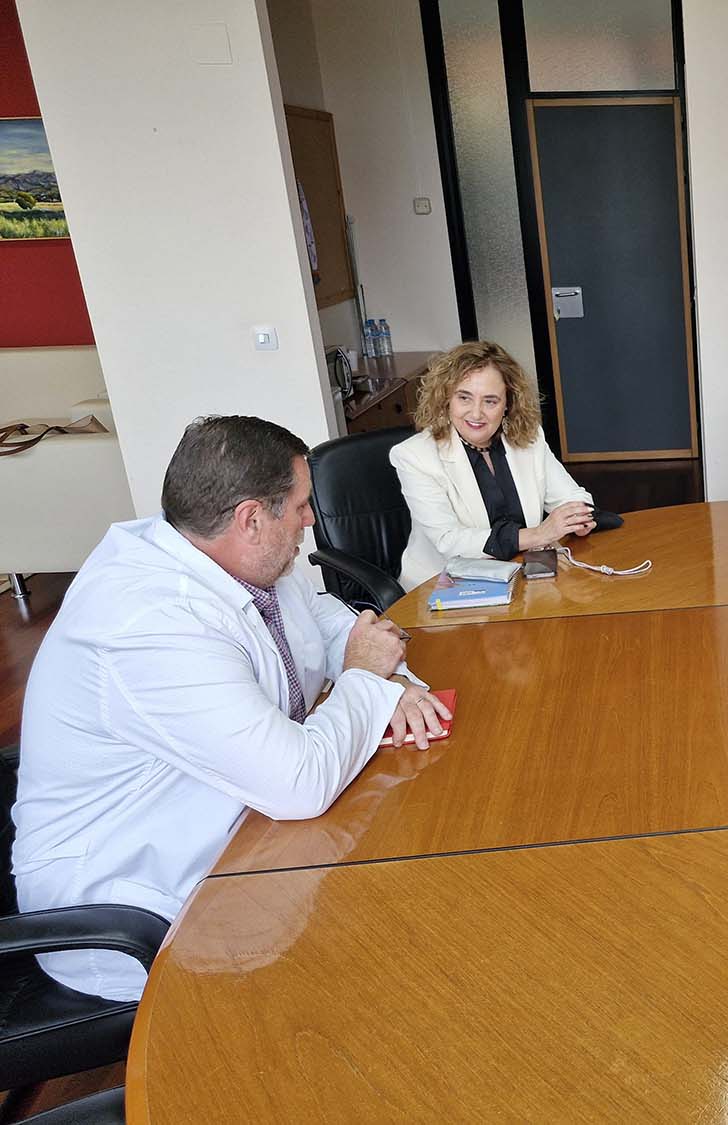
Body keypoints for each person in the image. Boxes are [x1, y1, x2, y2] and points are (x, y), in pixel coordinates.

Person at [11, 416, 449, 1001]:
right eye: (299, 506)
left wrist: (392, 677)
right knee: (387, 958)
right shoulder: (149, 622)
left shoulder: (240, 558)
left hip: (242, 836)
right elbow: (299, 782)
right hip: (134, 912)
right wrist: (369, 679)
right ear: (250, 518)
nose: (311, 521)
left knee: (408, 874)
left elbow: (324, 620)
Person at [391, 341, 594, 589]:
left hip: (524, 577)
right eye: (464, 398)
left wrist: (578, 518)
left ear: (508, 403)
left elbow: (571, 496)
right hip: (445, 586)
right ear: (446, 398)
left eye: (490, 401)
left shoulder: (528, 438)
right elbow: (449, 540)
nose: (476, 414)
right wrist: (538, 534)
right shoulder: (414, 456)